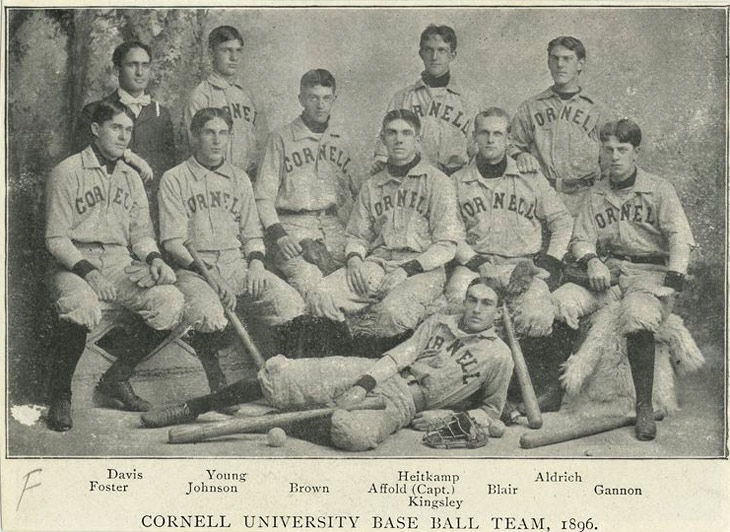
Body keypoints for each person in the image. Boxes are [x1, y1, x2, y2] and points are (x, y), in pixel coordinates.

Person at [141, 278, 513, 452]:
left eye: (486, 303)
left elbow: (491, 410)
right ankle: (192, 408)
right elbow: (398, 356)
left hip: (404, 403)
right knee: (283, 376)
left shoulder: (498, 356)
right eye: (473, 300)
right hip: (373, 371)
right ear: (465, 301)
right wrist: (362, 384)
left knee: (355, 435)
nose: (477, 309)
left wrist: (446, 418)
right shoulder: (439, 323)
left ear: (498, 311)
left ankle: (259, 424)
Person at [552, 118, 695, 440]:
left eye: (622, 149)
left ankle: (643, 405)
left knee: (638, 315)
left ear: (636, 152)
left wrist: (673, 283)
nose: (614, 156)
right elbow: (580, 239)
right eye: (608, 149)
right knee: (560, 301)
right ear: (601, 152)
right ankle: (558, 387)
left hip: (649, 273)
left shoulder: (659, 189)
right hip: (610, 272)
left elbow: (680, 238)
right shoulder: (596, 194)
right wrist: (590, 262)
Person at [45, 100, 184, 431]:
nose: (124, 136)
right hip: (75, 261)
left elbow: (142, 235)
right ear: (96, 129)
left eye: (128, 130)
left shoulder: (131, 178)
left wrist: (154, 260)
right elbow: (55, 239)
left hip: (120, 261)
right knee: (81, 303)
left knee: (170, 300)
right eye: (116, 128)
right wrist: (89, 273)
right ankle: (60, 395)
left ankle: (116, 378)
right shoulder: (66, 171)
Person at [158, 107, 305, 400]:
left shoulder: (239, 179)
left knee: (289, 301)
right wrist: (210, 276)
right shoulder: (174, 178)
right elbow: (173, 243)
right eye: (209, 133)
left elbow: (252, 234)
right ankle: (218, 385)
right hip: (193, 269)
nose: (216, 140)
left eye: (223, 133)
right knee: (209, 313)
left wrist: (256, 266)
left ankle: (284, 377)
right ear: (195, 136)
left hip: (236, 264)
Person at [447, 107, 574, 416]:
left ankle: (519, 393)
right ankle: (469, 389)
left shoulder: (529, 175)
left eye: (498, 133)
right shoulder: (456, 181)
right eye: (484, 133)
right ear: (474, 137)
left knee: (535, 313)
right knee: (454, 303)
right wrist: (476, 263)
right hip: (477, 263)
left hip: (523, 263)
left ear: (507, 139)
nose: (490, 139)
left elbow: (562, 221)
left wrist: (548, 264)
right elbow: (450, 233)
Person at [308, 109, 464, 342]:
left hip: (422, 269)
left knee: (391, 313)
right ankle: (348, 356)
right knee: (321, 295)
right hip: (378, 263)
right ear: (383, 139)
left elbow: (447, 244)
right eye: (392, 133)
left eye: (406, 133)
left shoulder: (438, 182)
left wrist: (407, 269)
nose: (399, 139)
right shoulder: (372, 185)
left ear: (417, 140)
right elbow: (357, 235)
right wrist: (354, 260)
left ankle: (380, 367)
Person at [254, 69, 357, 299]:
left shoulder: (343, 139)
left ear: (334, 99)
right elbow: (262, 198)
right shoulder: (280, 138)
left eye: (326, 98)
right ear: (301, 99)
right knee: (310, 282)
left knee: (355, 280)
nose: (320, 105)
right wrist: (279, 237)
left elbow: (360, 192)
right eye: (313, 98)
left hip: (333, 227)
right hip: (292, 228)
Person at [73, 41, 177, 225]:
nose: (140, 72)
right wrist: (129, 157)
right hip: (107, 205)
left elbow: (169, 165)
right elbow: (84, 161)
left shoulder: (161, 114)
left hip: (151, 210)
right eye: (132, 65)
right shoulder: (94, 110)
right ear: (116, 70)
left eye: (145, 65)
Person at [510, 36, 614, 216]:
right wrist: (520, 154)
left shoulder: (597, 110)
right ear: (548, 63)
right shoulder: (531, 106)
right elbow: (510, 145)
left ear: (580, 64)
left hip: (585, 197)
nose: (560, 64)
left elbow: (612, 158)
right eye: (555, 58)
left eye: (567, 59)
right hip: (541, 195)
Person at [372, 25, 475, 177]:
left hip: (454, 178)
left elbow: (477, 150)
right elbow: (383, 149)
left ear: (452, 55)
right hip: (409, 179)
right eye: (429, 50)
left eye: (442, 50)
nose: (434, 57)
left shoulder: (468, 100)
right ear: (421, 54)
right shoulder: (403, 98)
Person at [183, 26, 266, 177]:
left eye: (238, 50)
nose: (234, 57)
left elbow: (260, 142)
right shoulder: (201, 96)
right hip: (212, 177)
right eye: (226, 50)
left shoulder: (248, 95)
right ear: (211, 53)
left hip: (247, 179)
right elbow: (194, 144)